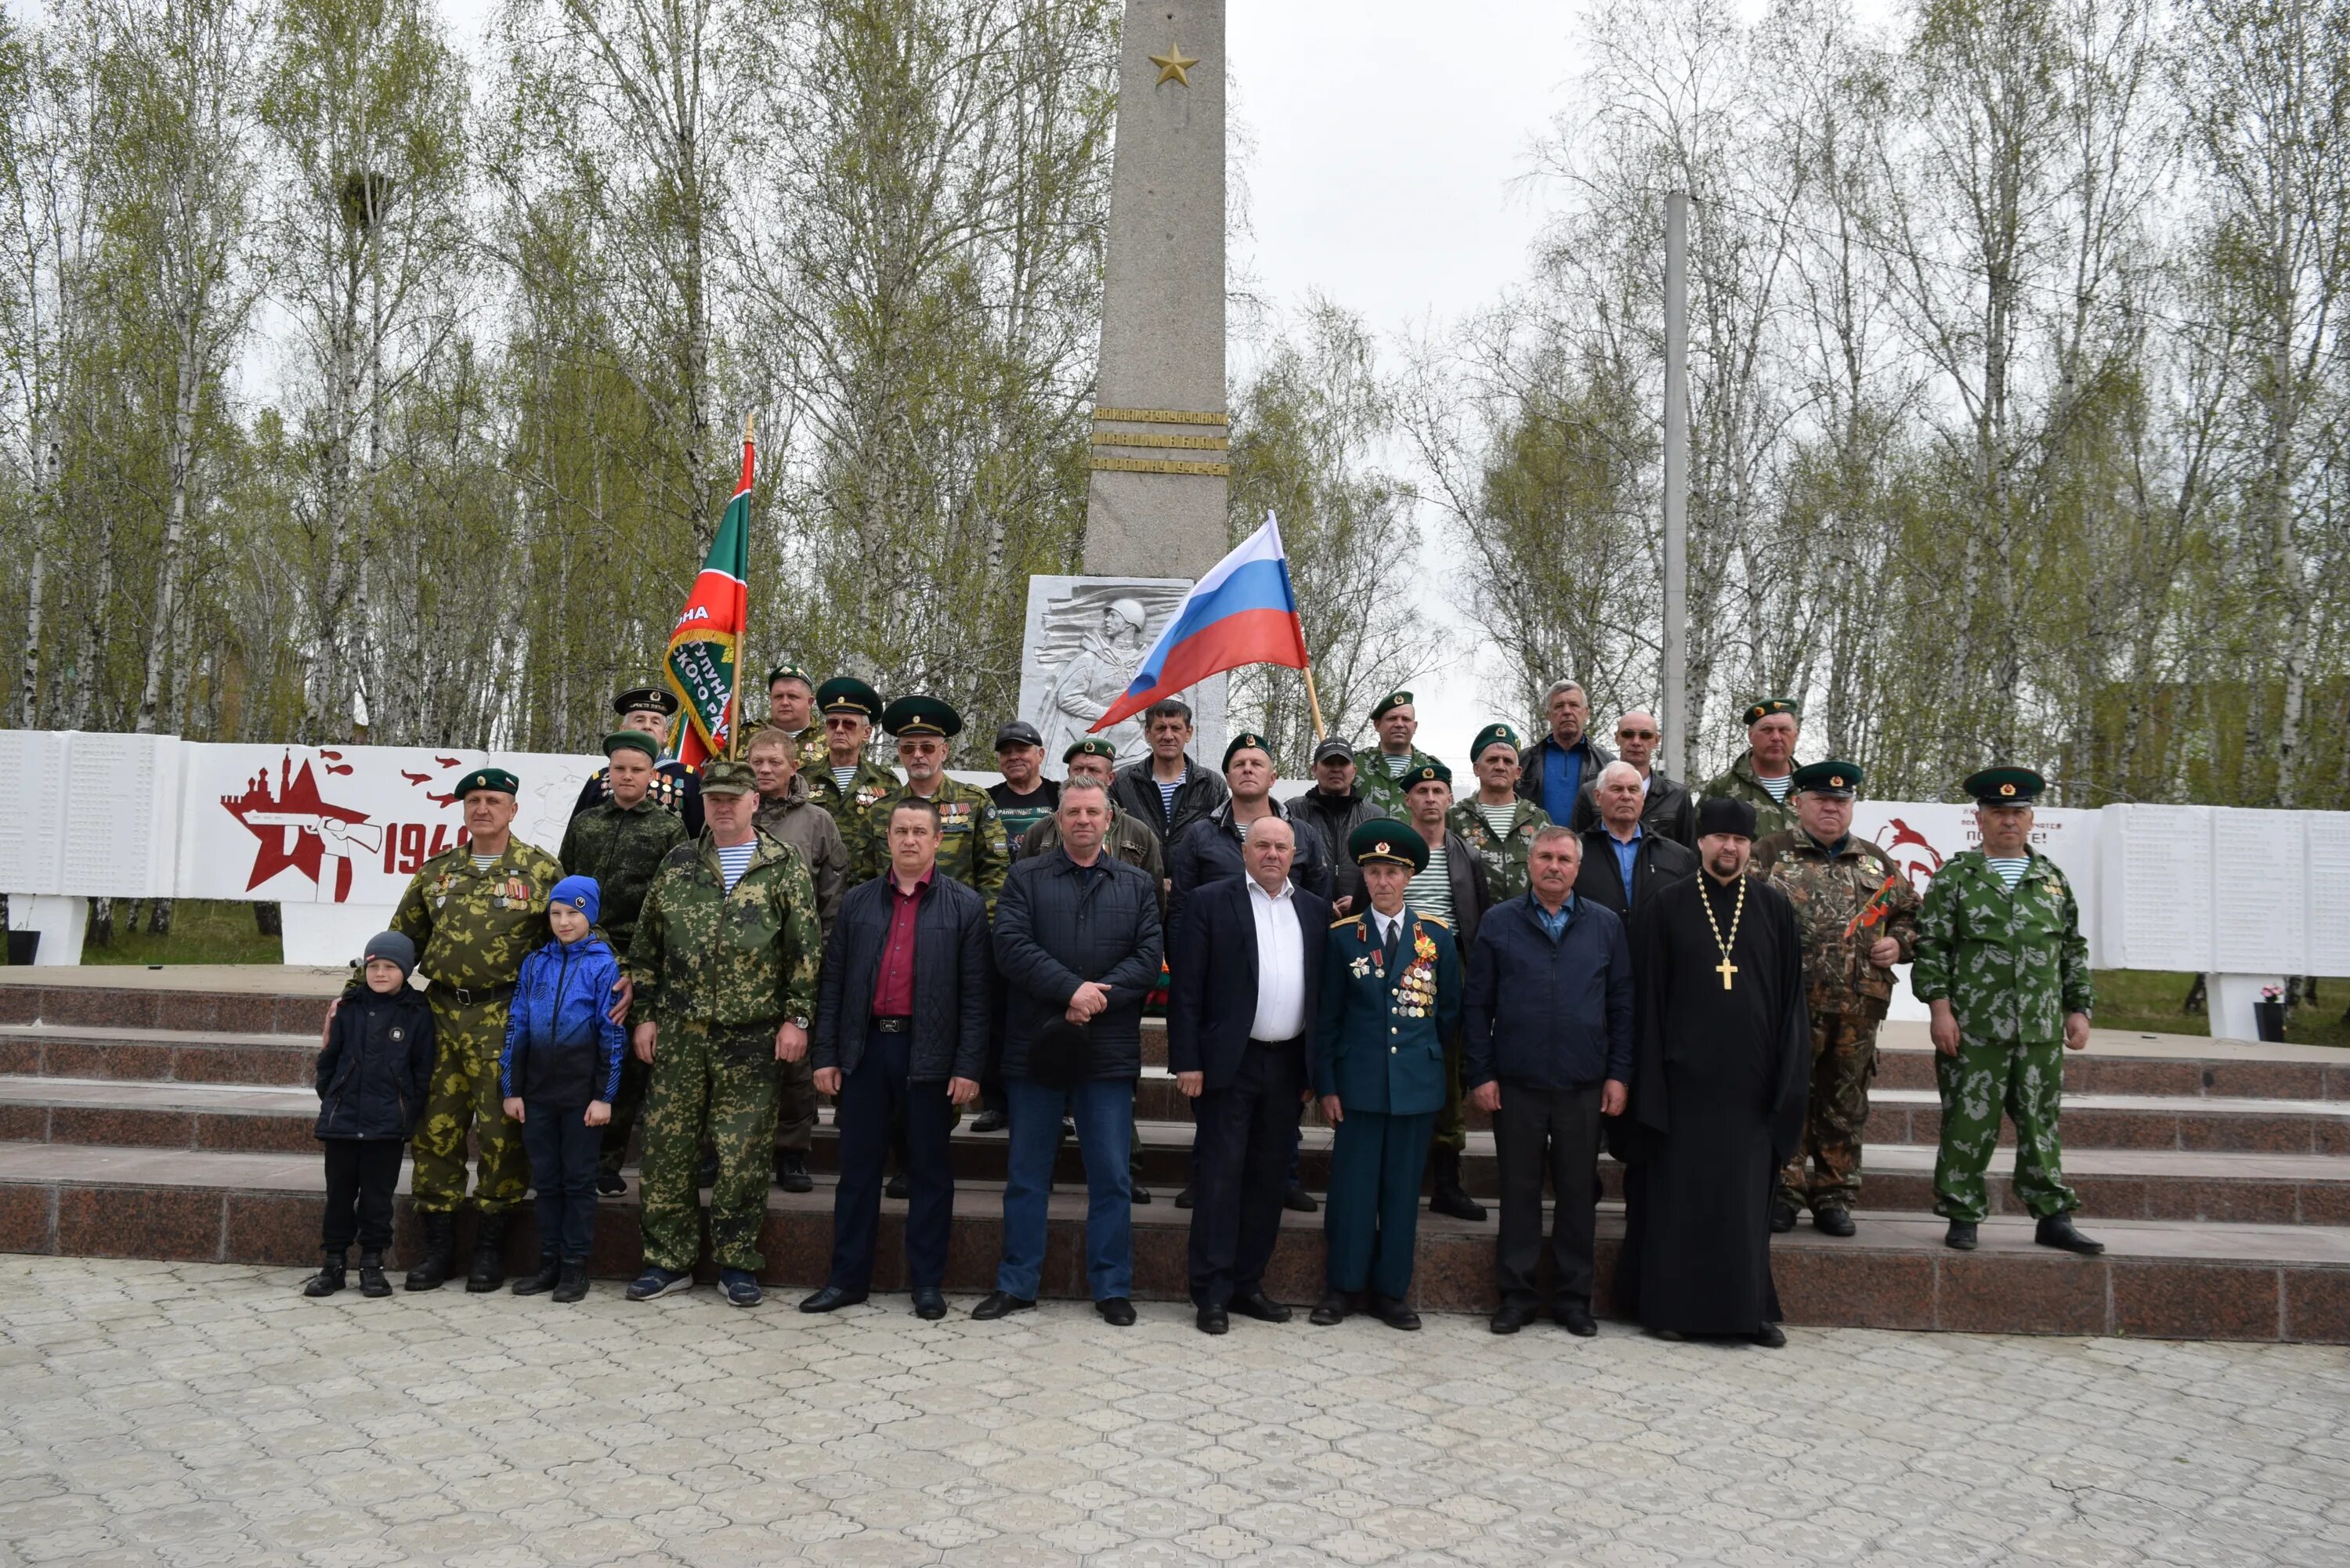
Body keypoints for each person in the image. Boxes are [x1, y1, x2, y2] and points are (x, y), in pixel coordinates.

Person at [623, 759, 821, 1307]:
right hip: (681, 1033)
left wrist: (795, 1019)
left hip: (751, 1036)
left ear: (755, 802)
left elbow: (804, 953)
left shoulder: (782, 866)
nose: (724, 806)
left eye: (735, 797)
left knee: (742, 1154)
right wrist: (646, 1015)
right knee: (667, 1150)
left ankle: (737, 1263)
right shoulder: (678, 863)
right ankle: (668, 1260)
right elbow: (646, 950)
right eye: (714, 798)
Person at [1616, 797, 1809, 1348]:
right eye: (1721, 838)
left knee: (1744, 1203)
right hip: (1681, 1086)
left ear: (1750, 846)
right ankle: (1671, 1308)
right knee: (1681, 1200)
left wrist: (1786, 1080)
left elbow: (1791, 1004)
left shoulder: (1774, 910)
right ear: (1701, 842)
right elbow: (1645, 1003)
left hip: (1749, 1088)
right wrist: (1647, 1082)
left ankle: (1748, 1311)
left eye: (1740, 841)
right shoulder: (1666, 906)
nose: (1730, 848)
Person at [977, 777, 1165, 1326]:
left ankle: (1111, 1288)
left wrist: (1093, 1000)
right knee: (1027, 1173)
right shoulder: (1025, 877)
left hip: (1106, 1052)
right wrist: (1070, 991)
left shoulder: (1135, 885)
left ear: (1110, 820)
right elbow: (1010, 947)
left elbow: (1148, 957)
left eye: (1093, 812)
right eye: (1073, 812)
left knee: (1110, 1175)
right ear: (1059, 821)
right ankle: (1017, 1284)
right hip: (1037, 1046)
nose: (1083, 820)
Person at [801, 799, 990, 1320]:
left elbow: (977, 996)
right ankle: (846, 1280)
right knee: (857, 1172)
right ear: (888, 839)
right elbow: (833, 983)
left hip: (929, 1054)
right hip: (865, 1052)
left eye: (919, 832)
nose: (909, 840)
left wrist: (968, 1066)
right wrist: (827, 1055)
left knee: (930, 1172)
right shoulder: (859, 903)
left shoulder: (965, 906)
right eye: (900, 831)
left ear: (937, 841)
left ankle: (927, 1284)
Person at [1913, 766, 2102, 1256]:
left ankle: (2052, 1215)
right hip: (1975, 1027)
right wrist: (1940, 1011)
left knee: (2042, 1123)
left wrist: (2078, 1008)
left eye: (2018, 812)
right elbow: (1932, 947)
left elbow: (2072, 949)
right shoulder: (1955, 878)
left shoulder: (2052, 881)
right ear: (1980, 817)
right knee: (1967, 1122)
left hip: (2039, 1028)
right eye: (1998, 812)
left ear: (2032, 817)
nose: (2009, 821)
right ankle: (1962, 1212)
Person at [390, 767, 562, 1293]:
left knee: (500, 1134)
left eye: (493, 800)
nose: (482, 808)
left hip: (504, 1017)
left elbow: (568, 938)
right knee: (435, 1130)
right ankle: (438, 1249)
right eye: (473, 800)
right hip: (438, 1014)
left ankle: (490, 1249)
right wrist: (355, 996)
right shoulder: (436, 873)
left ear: (513, 810)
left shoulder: (541, 871)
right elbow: (401, 940)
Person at [1463, 827, 1631, 1337]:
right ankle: (1516, 1296)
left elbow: (1623, 1005)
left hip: (1583, 1083)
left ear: (1577, 868)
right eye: (1544, 857)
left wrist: (1619, 1074)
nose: (1553, 866)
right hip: (1517, 1082)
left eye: (1563, 858)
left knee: (1579, 1192)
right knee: (1518, 1190)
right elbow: (1477, 1006)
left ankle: (1573, 1299)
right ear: (1530, 864)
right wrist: (1482, 1073)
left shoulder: (1604, 926)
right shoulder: (1499, 922)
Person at [1167, 815, 1329, 1334]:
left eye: (1282, 847)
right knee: (1219, 1178)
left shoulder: (1315, 910)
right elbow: (1187, 990)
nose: (1273, 855)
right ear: (1245, 850)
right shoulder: (1210, 902)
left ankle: (1247, 1284)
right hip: (1226, 1065)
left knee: (1268, 1180)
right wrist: (1187, 1060)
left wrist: (1314, 1071)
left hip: (1287, 1067)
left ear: (1295, 853)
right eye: (1263, 845)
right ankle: (1211, 1291)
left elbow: (1322, 999)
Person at [1752, 761, 1922, 1237]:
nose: (1831, 808)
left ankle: (1834, 1195)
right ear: (1798, 803)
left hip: (1858, 1006)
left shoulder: (1874, 861)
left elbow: (1912, 916)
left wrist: (1900, 944)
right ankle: (1782, 1192)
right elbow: (1737, 917)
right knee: (1788, 1097)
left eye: (1841, 801)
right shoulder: (1771, 855)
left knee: (1844, 1102)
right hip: (1788, 1007)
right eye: (1821, 800)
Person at [1311, 819, 1464, 1331]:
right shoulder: (1341, 938)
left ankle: (1392, 1291)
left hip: (1415, 1089)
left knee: (1402, 1192)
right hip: (1357, 1085)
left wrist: (1426, 1071)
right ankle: (1343, 1287)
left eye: (1392, 872)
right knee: (1353, 1191)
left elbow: (1449, 1016)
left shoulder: (1436, 939)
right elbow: (1326, 1018)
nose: (1382, 881)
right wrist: (1327, 1086)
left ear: (1409, 877)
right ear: (1364, 876)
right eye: (1374, 871)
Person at [559, 730, 689, 1198]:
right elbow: (563, 886)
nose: (628, 777)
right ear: (607, 774)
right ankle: (570, 1154)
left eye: (637, 770)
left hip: (633, 962)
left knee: (624, 1066)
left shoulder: (669, 829)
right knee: (575, 1055)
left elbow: (669, 904)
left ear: (653, 775)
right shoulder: (586, 823)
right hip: (580, 957)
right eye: (620, 769)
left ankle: (608, 1161)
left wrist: (637, 966)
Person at [499, 876, 627, 1303]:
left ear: (589, 915)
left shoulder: (603, 964)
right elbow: (517, 1023)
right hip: (536, 1093)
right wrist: (512, 1088)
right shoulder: (535, 963)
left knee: (577, 1180)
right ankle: (549, 1261)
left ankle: (575, 1266)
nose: (563, 921)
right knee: (547, 1181)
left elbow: (611, 1033)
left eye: (573, 913)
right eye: (556, 913)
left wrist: (603, 1096)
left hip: (581, 1098)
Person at [303, 931, 435, 1299]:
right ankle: (332, 1264)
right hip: (343, 1122)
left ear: (406, 971)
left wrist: (407, 1108)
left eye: (390, 967)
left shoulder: (417, 1012)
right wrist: (334, 1097)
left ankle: (372, 1265)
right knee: (339, 1196)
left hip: (386, 1126)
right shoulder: (348, 1007)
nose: (380, 974)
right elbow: (328, 1061)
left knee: (378, 1198)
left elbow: (422, 1069)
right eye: (374, 966)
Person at [748, 724, 851, 1195]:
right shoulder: (729, 813)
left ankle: (791, 1153)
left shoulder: (817, 821)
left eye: (774, 762)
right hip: (738, 963)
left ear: (794, 767)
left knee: (795, 1063)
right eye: (757, 761)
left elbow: (833, 897)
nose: (765, 769)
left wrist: (822, 955)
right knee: (736, 1063)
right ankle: (724, 1150)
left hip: (798, 962)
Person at [1400, 760, 1491, 1223]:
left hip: (1452, 969)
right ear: (1408, 800)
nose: (1431, 798)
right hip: (1401, 967)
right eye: (1422, 791)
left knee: (1450, 1069)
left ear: (1451, 799)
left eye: (1438, 790)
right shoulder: (1394, 850)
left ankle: (1447, 1182)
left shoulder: (1466, 854)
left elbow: (1477, 919)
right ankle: (1397, 1174)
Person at [843, 695, 1010, 909]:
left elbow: (995, 873)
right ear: (899, 754)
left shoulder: (974, 802)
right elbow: (862, 878)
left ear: (944, 751)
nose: (918, 755)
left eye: (928, 747)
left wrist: (982, 929)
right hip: (894, 923)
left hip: (958, 923)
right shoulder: (881, 809)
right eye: (908, 748)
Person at [1166, 732, 1334, 943]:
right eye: (1239, 765)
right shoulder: (1200, 835)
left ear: (1272, 778)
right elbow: (1181, 909)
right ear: (1227, 778)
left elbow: (1321, 908)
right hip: (1220, 959)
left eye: (1257, 764)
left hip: (1288, 954)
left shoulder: (1303, 835)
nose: (1247, 769)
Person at [569, 685, 705, 836]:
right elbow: (576, 835)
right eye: (639, 720)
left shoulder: (687, 778)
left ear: (665, 735)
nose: (647, 727)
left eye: (655, 722)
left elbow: (700, 839)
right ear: (623, 730)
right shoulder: (600, 780)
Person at [1574, 761, 1699, 919]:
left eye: (1633, 790)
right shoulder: (1573, 853)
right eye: (1617, 789)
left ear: (1642, 798)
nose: (1626, 796)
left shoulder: (1678, 857)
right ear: (1598, 797)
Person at [1037, 597, 1151, 764]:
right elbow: (1067, 697)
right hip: (1096, 746)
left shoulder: (1147, 662)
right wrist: (1105, 714)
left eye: (1113, 616)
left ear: (1128, 623)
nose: (1106, 620)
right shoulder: (1092, 658)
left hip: (1135, 747)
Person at [1449, 724, 1553, 901]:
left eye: (1508, 761)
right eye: (1492, 760)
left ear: (1518, 772)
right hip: (1475, 925)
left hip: (1528, 925)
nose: (1500, 766)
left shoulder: (1539, 819)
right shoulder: (1453, 818)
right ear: (1476, 768)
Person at [1109, 698, 1229, 848]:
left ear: (1188, 733)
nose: (1168, 736)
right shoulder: (1123, 782)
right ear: (1148, 733)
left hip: (1193, 872)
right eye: (1160, 728)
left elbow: (1224, 842)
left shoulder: (1212, 786)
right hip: (1136, 871)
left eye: (1176, 728)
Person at [1568, 710, 1694, 845]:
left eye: (1645, 736)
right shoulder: (1589, 792)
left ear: (1656, 740)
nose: (1636, 742)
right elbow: (1578, 849)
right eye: (1628, 734)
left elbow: (1688, 854)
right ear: (1617, 738)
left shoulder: (1677, 796)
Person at [1287, 737, 1379, 917]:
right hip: (1306, 918)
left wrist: (1361, 901)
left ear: (1354, 771)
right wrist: (1318, 902)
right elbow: (1284, 873)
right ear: (1314, 769)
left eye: (1343, 763)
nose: (1336, 769)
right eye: (1328, 762)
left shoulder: (1374, 817)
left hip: (1361, 923)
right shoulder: (1292, 812)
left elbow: (1386, 872)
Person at [1697, 698, 1806, 842]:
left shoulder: (1810, 787)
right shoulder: (1723, 786)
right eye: (1767, 730)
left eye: (1784, 730)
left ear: (1796, 734)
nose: (1776, 737)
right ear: (1751, 735)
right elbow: (1697, 841)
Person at [1517, 680, 1615, 825]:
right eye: (1559, 706)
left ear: (1586, 712)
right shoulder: (1524, 760)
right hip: (1535, 845)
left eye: (1574, 705)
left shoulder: (1607, 763)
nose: (1567, 711)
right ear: (1548, 715)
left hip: (1587, 846)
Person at [808, 677, 898, 825]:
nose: (839, 730)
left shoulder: (886, 782)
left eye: (849, 724)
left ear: (866, 733)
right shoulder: (803, 779)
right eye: (832, 723)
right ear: (826, 729)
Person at [1352, 691, 1442, 816]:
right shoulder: (1356, 764)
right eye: (1392, 718)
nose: (1399, 724)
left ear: (1414, 727)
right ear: (1377, 725)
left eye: (1406, 719)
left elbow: (1444, 819)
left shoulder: (1432, 768)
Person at [988, 721, 1061, 851]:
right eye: (1005, 752)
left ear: (1040, 755)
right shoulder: (986, 799)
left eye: (1022, 750)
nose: (1013, 757)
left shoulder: (1060, 795)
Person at [765, 663, 828, 772]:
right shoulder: (746, 736)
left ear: (809, 702)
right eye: (778, 697)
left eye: (792, 697)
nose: (784, 702)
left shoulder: (830, 739)